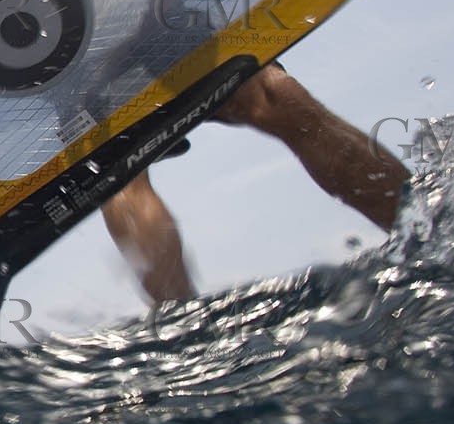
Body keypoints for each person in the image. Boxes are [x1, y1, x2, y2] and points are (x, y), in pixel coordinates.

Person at [100, 62, 410, 304]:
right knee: (119, 173)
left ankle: (417, 227)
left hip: (130, 18)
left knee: (274, 96)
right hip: (87, 43)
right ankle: (181, 321)